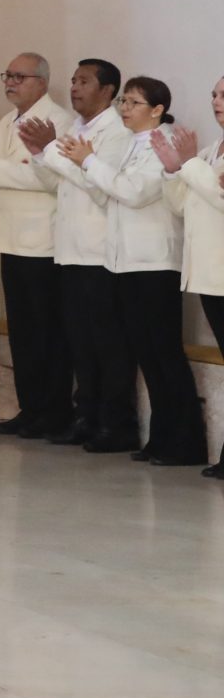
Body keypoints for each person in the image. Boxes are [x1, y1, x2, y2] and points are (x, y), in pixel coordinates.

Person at [72, 77, 205, 465]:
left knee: (165, 352)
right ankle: (161, 439)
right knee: (146, 354)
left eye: (133, 102)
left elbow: (134, 192)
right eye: (123, 102)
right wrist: (84, 166)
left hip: (155, 261)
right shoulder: (130, 143)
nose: (125, 109)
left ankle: (186, 442)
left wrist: (91, 163)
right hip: (124, 262)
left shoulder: (164, 142)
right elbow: (107, 193)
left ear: (157, 110)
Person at [28, 58, 132, 450]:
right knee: (80, 343)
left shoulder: (117, 132)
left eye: (84, 81)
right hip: (70, 250)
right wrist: (42, 155)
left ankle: (115, 424)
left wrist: (55, 154)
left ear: (107, 90)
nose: (74, 87)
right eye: (72, 80)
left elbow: (99, 187)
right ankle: (85, 418)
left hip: (99, 253)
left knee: (107, 344)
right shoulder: (75, 128)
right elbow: (55, 182)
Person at [0, 52, 75, 437]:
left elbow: (50, 179)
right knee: (23, 332)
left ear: (42, 83)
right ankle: (30, 408)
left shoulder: (59, 121)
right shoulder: (6, 120)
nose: (11, 83)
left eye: (20, 76)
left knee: (47, 332)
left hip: (42, 242)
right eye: (8, 76)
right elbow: (4, 167)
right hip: (11, 239)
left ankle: (54, 411)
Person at [154, 75, 224, 477]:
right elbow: (183, 205)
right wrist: (172, 171)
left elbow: (220, 196)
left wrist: (189, 164)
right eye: (213, 94)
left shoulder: (203, 157)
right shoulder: (213, 150)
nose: (216, 101)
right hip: (209, 274)